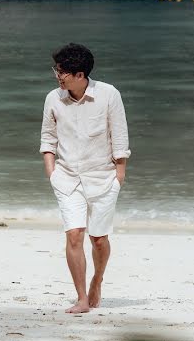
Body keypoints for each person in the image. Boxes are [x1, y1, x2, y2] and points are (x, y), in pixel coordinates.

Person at [39, 43, 130, 314]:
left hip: (103, 178)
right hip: (66, 178)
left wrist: (119, 175)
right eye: (56, 69)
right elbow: (48, 137)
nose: (58, 75)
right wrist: (51, 172)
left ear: (80, 75)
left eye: (62, 71)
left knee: (98, 239)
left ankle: (97, 280)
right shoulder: (53, 98)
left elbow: (120, 135)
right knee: (74, 235)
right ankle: (81, 298)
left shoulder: (108, 94)